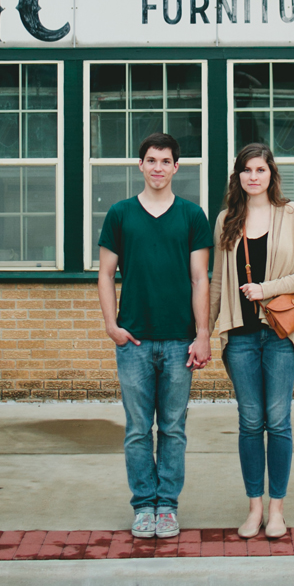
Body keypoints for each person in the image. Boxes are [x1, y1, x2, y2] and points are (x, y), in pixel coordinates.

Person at [98, 132, 212, 539]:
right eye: (151, 160)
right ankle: (143, 504)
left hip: (180, 339)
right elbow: (106, 274)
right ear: (140, 165)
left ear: (176, 167)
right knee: (136, 429)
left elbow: (200, 278)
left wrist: (203, 335)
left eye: (166, 161)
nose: (158, 167)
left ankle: (168, 506)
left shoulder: (192, 216)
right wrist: (112, 325)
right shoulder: (121, 214)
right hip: (135, 342)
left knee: (174, 429)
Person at [210, 143, 294, 540]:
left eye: (261, 169)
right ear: (237, 176)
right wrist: (204, 333)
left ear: (271, 174)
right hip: (239, 337)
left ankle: (277, 511)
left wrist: (266, 289)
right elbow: (218, 283)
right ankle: (254, 508)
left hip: (279, 334)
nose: (253, 176)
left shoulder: (292, 214)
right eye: (246, 170)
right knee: (250, 422)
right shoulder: (227, 219)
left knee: (279, 421)